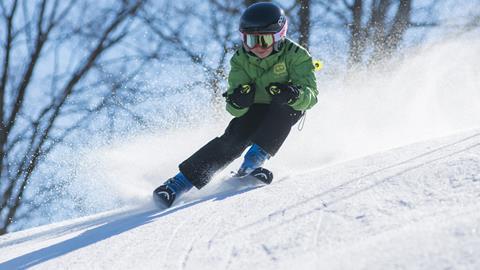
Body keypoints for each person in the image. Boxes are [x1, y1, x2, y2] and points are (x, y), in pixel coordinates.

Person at [153, 2, 318, 208]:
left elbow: (311, 96)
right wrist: (238, 101)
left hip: (284, 106)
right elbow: (233, 108)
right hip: (255, 107)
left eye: (264, 40)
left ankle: (253, 162)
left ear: (278, 37)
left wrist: (294, 94)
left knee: (286, 111)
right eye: (249, 40)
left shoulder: (297, 55)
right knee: (235, 137)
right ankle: (178, 184)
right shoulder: (240, 59)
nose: (257, 47)